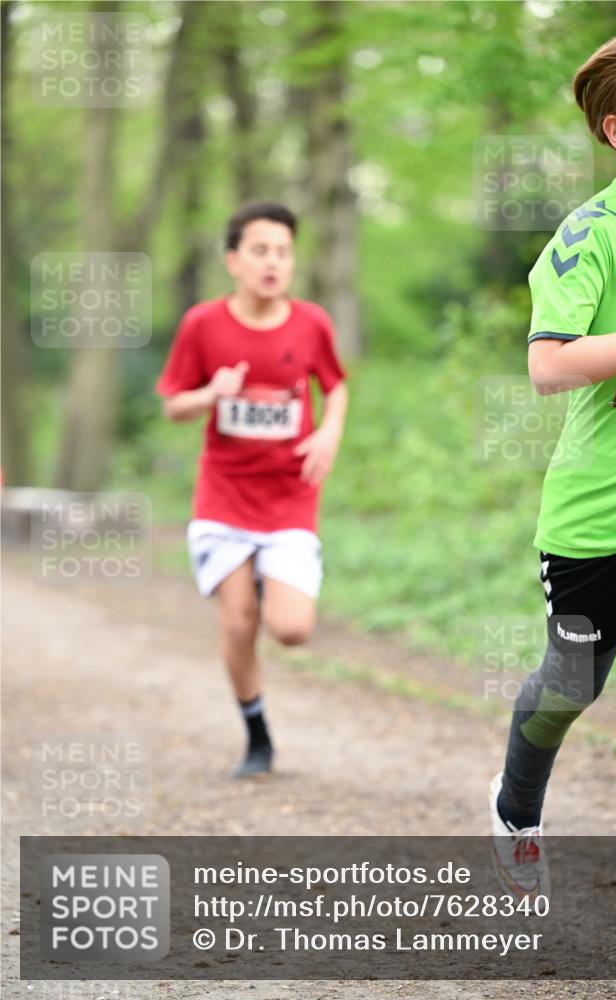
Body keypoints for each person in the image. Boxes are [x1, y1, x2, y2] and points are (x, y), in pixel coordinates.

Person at [489, 16, 616, 899]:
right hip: (600, 500)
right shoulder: (592, 233)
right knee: (569, 687)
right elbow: (547, 365)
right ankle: (516, 807)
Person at [156, 201, 348, 777]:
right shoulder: (202, 325)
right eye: (260, 251)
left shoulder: (311, 322)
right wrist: (212, 393)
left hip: (289, 495)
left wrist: (328, 437)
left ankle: (268, 578)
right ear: (233, 261)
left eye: (283, 252)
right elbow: (173, 407)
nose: (273, 262)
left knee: (291, 630)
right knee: (239, 624)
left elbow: (335, 388)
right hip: (224, 495)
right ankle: (257, 735)